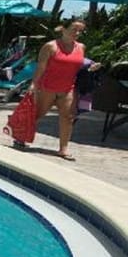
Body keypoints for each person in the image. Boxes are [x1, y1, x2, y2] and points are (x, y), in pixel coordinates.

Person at [15, 19, 101, 161]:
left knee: (68, 118)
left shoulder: (81, 47)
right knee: (36, 114)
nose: (77, 33)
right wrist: (33, 85)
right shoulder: (50, 46)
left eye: (80, 30)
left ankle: (63, 149)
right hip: (47, 87)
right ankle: (20, 137)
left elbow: (78, 66)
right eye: (74, 29)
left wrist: (90, 68)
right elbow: (41, 67)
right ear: (64, 29)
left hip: (68, 88)